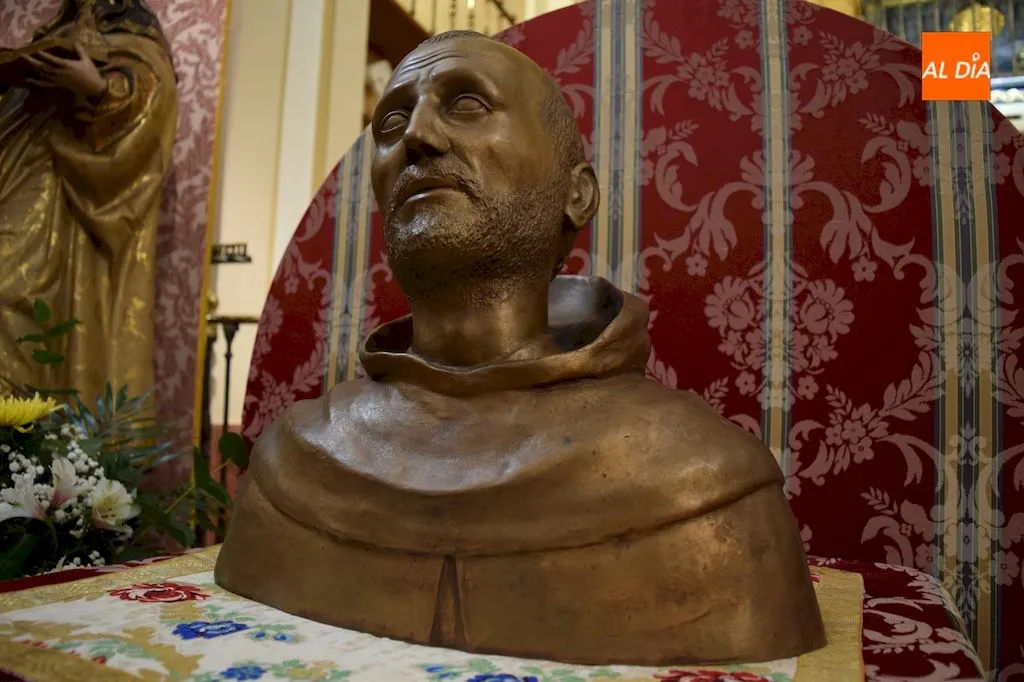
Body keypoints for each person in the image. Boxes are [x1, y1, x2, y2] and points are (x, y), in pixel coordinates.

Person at [215, 31, 826, 666]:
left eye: (467, 104)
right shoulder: (293, 468)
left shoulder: (701, 485)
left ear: (575, 193)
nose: (416, 136)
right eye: (390, 122)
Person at [0, 0, 177, 402]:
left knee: (11, 292)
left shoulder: (137, 34)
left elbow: (156, 97)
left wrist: (97, 88)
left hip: (68, 189)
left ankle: (24, 427)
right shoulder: (58, 29)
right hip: (22, 161)